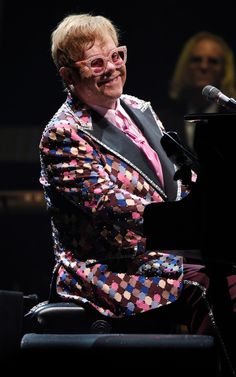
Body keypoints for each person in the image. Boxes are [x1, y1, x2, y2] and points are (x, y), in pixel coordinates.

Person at [39, 14, 236, 372]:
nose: (112, 68)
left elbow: (180, 173)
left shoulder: (139, 108)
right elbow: (105, 202)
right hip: (107, 267)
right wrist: (178, 220)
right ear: (69, 75)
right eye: (96, 62)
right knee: (210, 285)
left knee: (231, 266)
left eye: (117, 56)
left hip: (159, 251)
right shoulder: (64, 133)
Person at [158, 31, 236, 149]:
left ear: (224, 70)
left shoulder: (233, 122)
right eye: (196, 60)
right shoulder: (162, 122)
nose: (204, 66)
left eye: (213, 61)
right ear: (185, 66)